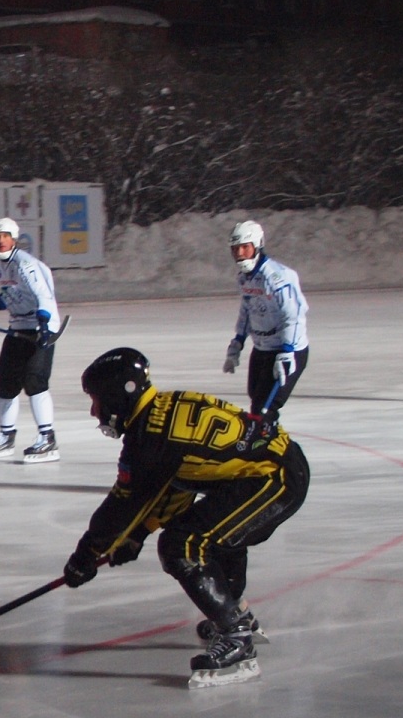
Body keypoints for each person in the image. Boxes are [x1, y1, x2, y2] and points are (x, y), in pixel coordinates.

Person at [61, 347, 310, 689]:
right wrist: (138, 535)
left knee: (183, 544)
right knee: (211, 532)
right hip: (275, 470)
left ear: (120, 396)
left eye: (97, 400)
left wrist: (85, 556)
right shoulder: (160, 413)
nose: (94, 411)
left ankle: (237, 639)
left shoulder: (149, 437)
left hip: (274, 480)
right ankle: (236, 615)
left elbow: (121, 506)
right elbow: (177, 485)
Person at [0, 217, 64, 461]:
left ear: (14, 239)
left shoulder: (26, 264)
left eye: (5, 236)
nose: (0, 241)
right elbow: (12, 295)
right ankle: (6, 437)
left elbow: (43, 295)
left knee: (35, 381)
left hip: (41, 327)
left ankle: (47, 439)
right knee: (6, 383)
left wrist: (44, 324)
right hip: (18, 327)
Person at [221, 220, 309, 419]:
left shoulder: (278, 277)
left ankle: (270, 449)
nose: (240, 254)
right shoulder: (245, 278)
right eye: (235, 249)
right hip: (262, 349)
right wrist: (237, 343)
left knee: (264, 410)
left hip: (286, 350)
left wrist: (287, 352)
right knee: (256, 401)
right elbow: (247, 311)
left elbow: (294, 315)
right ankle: (263, 446)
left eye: (245, 247)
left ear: (257, 245)